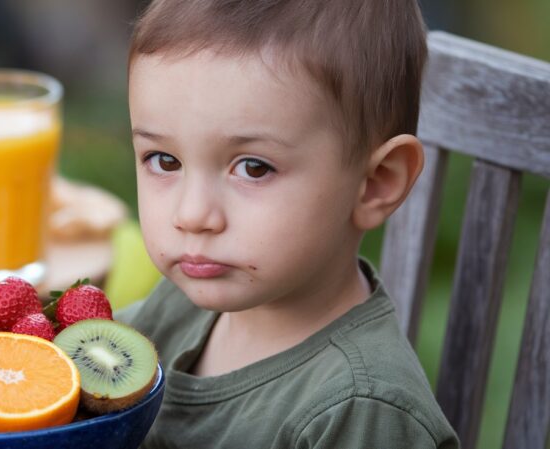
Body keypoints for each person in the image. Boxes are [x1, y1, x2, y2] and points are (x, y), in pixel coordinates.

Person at [115, 0, 460, 447]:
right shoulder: (189, 302)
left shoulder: (359, 413)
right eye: (164, 160)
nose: (192, 215)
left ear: (376, 182)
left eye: (254, 168)